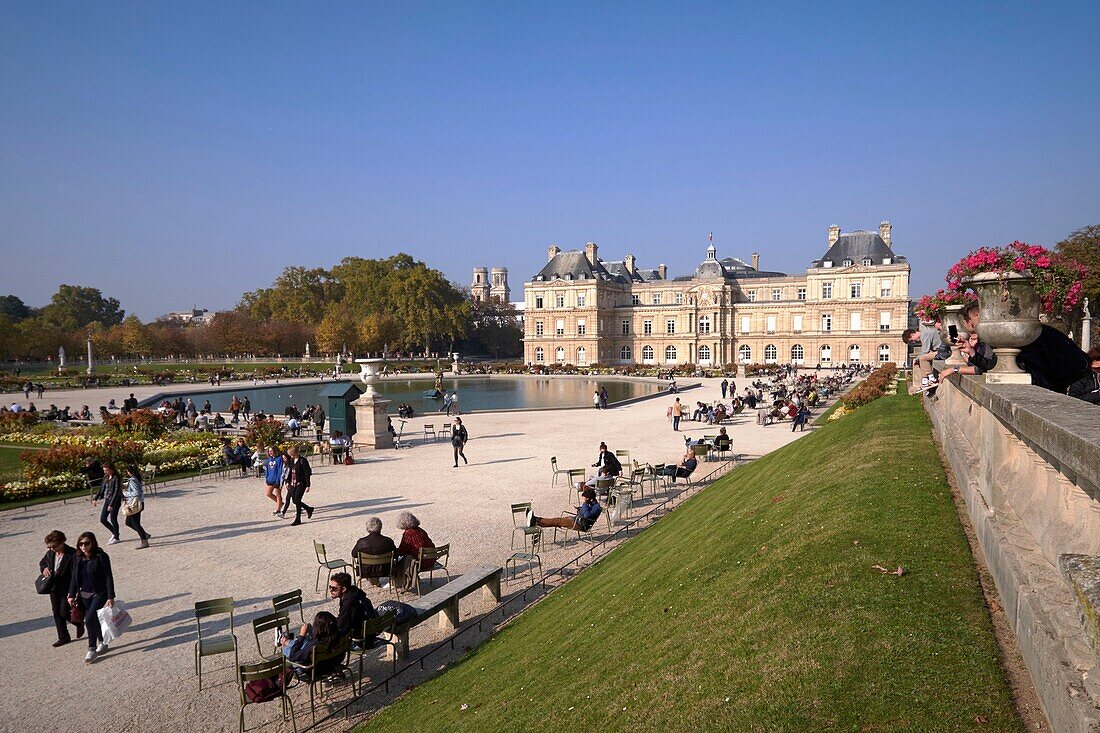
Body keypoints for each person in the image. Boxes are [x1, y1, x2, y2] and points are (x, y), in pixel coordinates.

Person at [68, 532, 115, 663]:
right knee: (94, 620)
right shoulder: (77, 558)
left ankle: (91, 648)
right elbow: (73, 578)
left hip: (99, 593)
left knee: (89, 620)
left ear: (93, 543)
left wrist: (111, 596)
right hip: (84, 595)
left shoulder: (101, 556)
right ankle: (103, 642)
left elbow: (108, 576)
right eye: (81, 544)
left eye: (87, 543)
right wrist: (71, 594)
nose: (84, 546)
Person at [40, 530, 84, 647]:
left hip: (67, 587)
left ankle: (78, 623)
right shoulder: (50, 554)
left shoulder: (72, 554)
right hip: (54, 587)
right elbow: (43, 563)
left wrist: (73, 590)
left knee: (64, 611)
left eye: (54, 546)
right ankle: (63, 636)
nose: (52, 549)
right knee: (56, 612)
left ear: (62, 542)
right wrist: (44, 569)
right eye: (49, 547)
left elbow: (76, 574)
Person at [280, 610, 345, 677]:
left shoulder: (314, 645)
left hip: (316, 670)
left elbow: (292, 657)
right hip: (334, 663)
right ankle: (287, 641)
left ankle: (284, 641)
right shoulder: (341, 634)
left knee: (286, 649)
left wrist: (301, 636)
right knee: (304, 643)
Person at [329, 571, 377, 643]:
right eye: (330, 587)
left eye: (334, 588)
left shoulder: (349, 603)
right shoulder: (356, 594)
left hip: (361, 641)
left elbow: (341, 626)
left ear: (344, 589)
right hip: (369, 634)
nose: (330, 590)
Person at [527, 488, 602, 533]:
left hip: (580, 525)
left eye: (584, 499)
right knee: (556, 521)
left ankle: (536, 520)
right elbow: (586, 513)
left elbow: (587, 515)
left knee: (557, 521)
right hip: (576, 520)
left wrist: (585, 503)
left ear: (589, 499)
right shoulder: (591, 504)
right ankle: (536, 521)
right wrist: (581, 509)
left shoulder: (596, 507)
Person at [351, 517, 398, 587]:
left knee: (364, 563)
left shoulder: (361, 542)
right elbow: (396, 555)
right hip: (385, 570)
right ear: (380, 527)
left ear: (367, 528)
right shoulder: (388, 541)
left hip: (366, 571)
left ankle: (374, 582)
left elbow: (354, 554)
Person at [395, 512, 435, 591]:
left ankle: (403, 582)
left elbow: (402, 551)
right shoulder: (421, 530)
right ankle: (415, 578)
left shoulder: (408, 533)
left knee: (401, 562)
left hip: (421, 563)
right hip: (431, 559)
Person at [122, 464, 151, 549]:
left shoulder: (133, 480)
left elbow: (137, 492)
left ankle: (144, 540)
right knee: (129, 522)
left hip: (134, 504)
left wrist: (125, 493)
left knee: (135, 523)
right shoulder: (136, 478)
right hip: (137, 503)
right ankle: (144, 535)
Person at [94, 463, 123, 545]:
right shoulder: (106, 477)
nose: (105, 472)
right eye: (104, 470)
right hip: (107, 499)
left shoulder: (116, 477)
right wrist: (95, 498)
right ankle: (114, 533)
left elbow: (117, 491)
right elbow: (102, 488)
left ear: (112, 469)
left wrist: (111, 504)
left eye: (106, 470)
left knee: (113, 518)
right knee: (103, 519)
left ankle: (116, 537)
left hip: (115, 500)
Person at [284, 445, 314, 526]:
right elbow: (289, 472)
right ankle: (308, 508)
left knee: (297, 499)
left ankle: (298, 519)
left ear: (296, 453)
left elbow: (307, 473)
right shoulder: (291, 460)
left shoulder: (302, 460)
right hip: (292, 483)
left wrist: (308, 485)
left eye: (292, 454)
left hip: (301, 483)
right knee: (294, 500)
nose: (291, 456)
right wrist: (287, 481)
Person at [263, 447, 285, 514]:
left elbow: (280, 470)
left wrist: (278, 480)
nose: (270, 452)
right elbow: (267, 470)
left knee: (278, 494)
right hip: (270, 479)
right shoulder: (268, 460)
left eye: (272, 451)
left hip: (277, 479)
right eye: (269, 451)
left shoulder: (279, 459)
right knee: (268, 494)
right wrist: (267, 478)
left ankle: (278, 509)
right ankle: (280, 503)